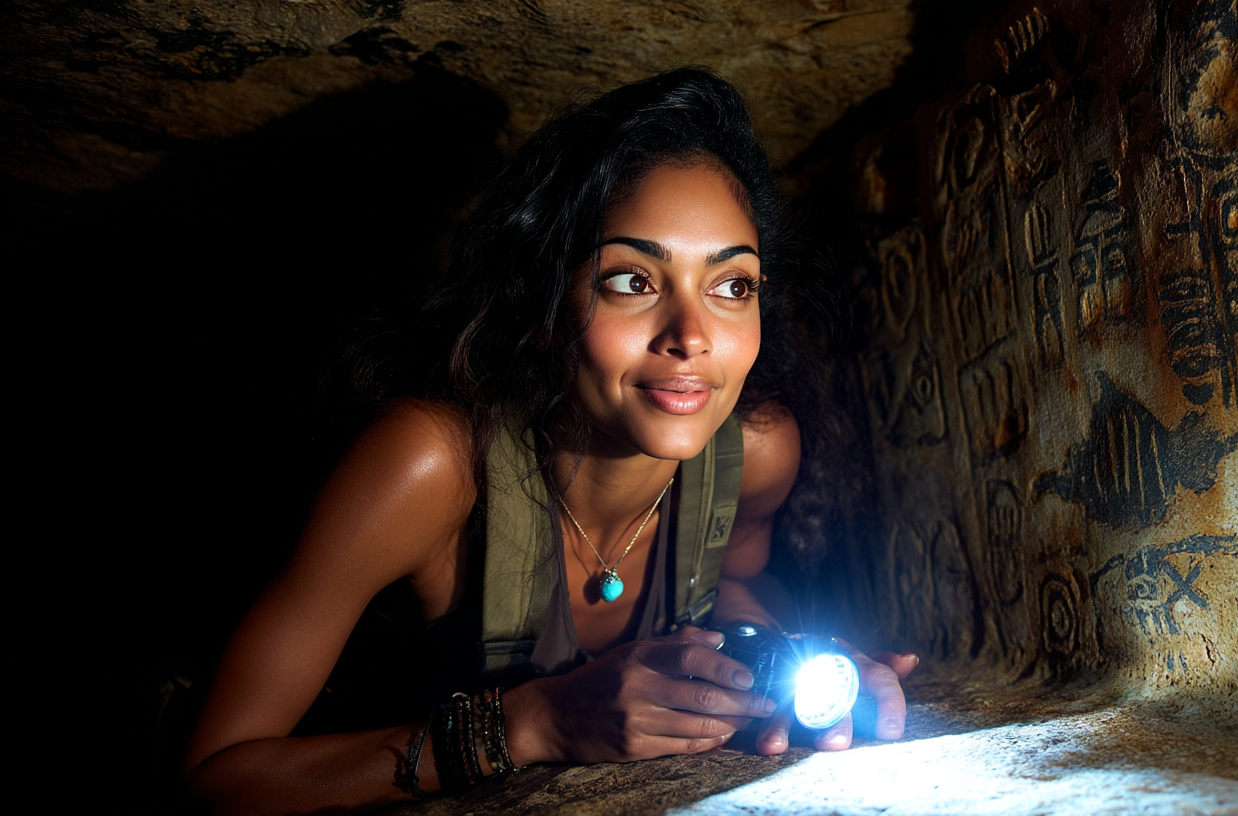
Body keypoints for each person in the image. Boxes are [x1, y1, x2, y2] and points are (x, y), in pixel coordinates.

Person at [182, 68, 917, 814]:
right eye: (632, 280)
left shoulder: (756, 448)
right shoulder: (429, 465)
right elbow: (213, 775)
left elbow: (735, 579)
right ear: (540, 306)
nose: (693, 337)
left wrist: (782, 664)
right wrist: (533, 723)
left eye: (733, 286)